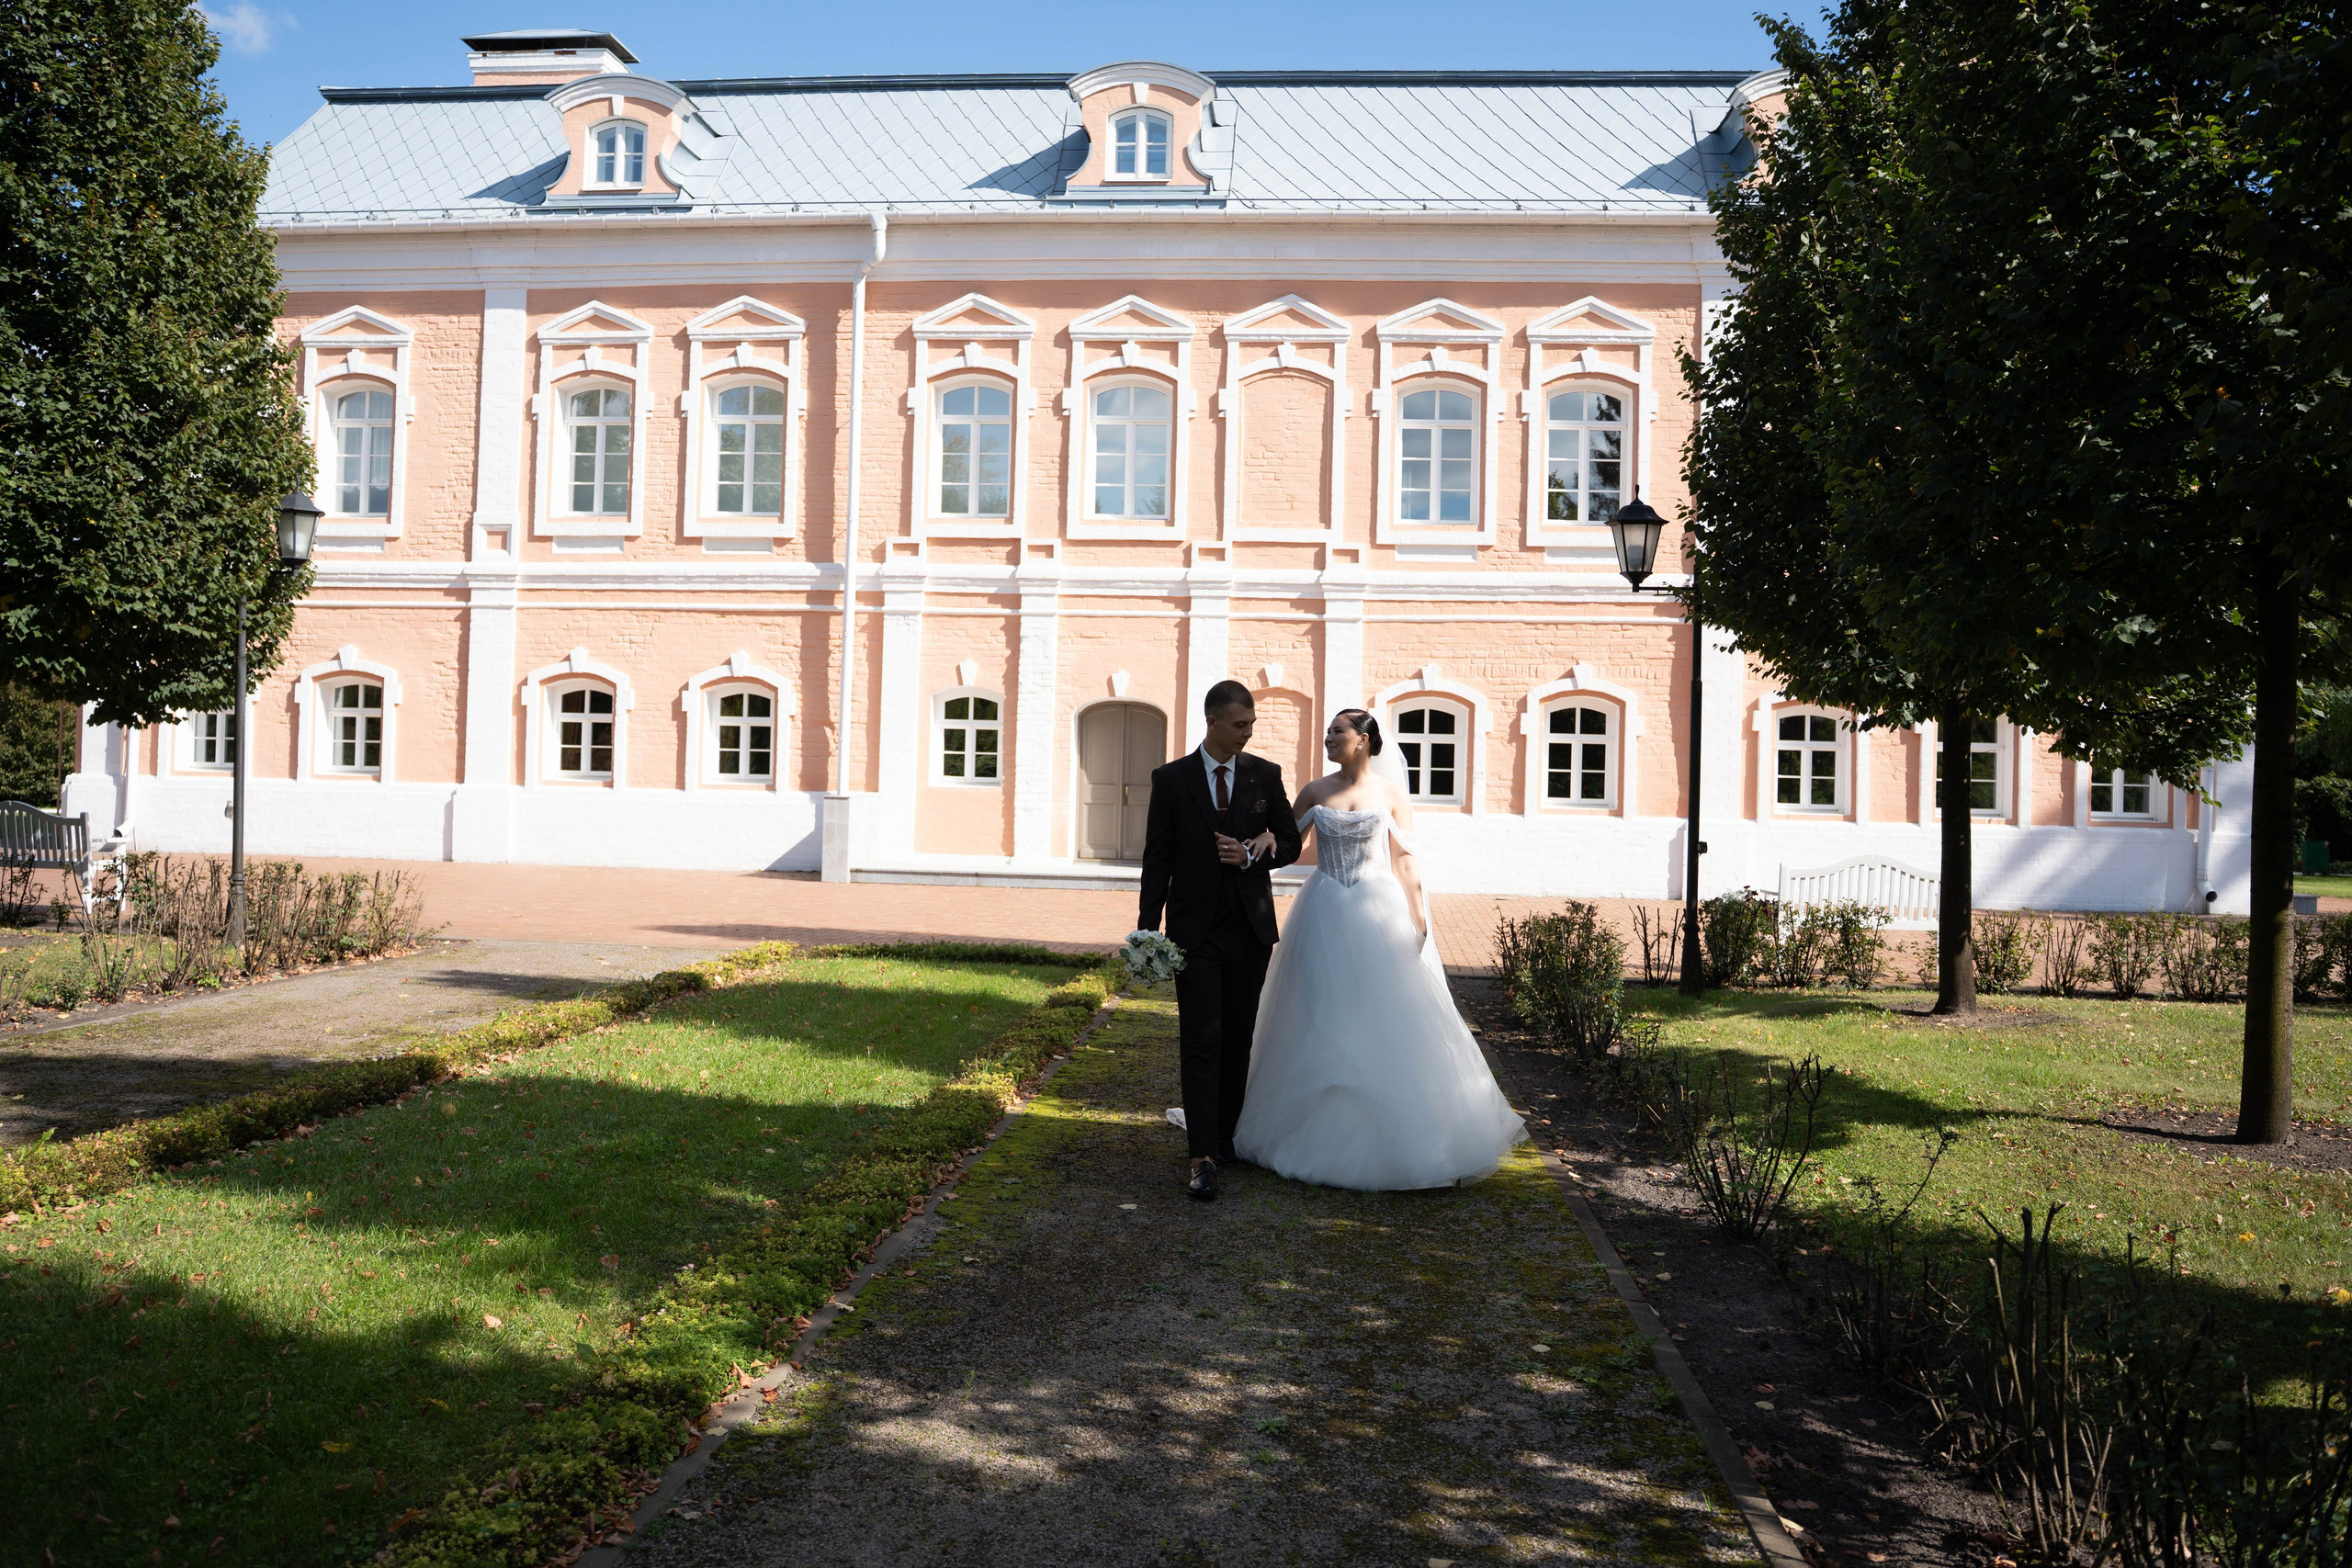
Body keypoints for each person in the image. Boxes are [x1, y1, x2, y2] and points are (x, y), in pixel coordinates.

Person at [1232, 708, 1527, 1191]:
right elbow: (1290, 841)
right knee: (1319, 1011)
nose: (1328, 737)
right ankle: (1308, 1130)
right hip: (1324, 909)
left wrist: (1419, 919)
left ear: (1364, 740)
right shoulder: (1314, 790)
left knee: (1381, 1013)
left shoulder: (1391, 794)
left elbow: (1404, 861)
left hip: (1377, 910)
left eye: (1338, 732)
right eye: (1327, 730)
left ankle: (1406, 1137)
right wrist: (1266, 835)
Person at [1136, 681, 1303, 1201]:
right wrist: (1147, 931)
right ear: (1212, 721)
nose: (1247, 734)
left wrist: (1256, 854)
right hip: (1194, 934)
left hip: (1251, 932)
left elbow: (1292, 844)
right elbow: (1157, 861)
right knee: (1201, 1040)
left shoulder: (1265, 775)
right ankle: (1201, 1157)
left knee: (1238, 1040)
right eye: (1239, 725)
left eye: (1251, 725)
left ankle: (1226, 1138)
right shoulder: (1171, 780)